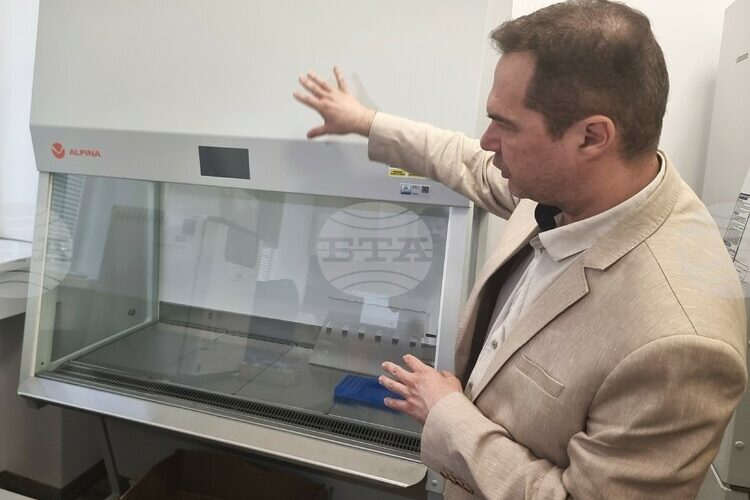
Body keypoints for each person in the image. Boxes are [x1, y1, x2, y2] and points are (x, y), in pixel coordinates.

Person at [294, 1, 747, 498]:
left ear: (592, 136)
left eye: (505, 125)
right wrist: (363, 120)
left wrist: (447, 416)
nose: (487, 141)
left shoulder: (682, 343)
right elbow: (466, 161)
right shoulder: (573, 185)